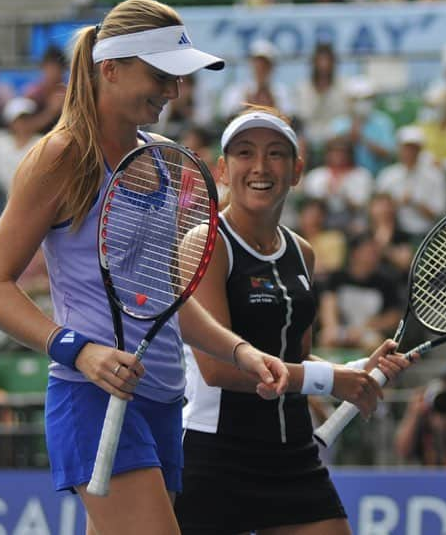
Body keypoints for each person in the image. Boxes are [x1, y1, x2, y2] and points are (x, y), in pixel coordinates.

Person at [0, 0, 290, 535]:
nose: (172, 92)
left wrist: (239, 350)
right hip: (93, 393)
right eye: (160, 75)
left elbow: (167, 297)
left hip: (165, 398)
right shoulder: (61, 156)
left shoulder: (165, 157)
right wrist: (82, 351)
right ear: (109, 68)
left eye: (178, 79)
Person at [173, 105, 411, 534]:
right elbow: (218, 366)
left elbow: (295, 356)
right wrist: (330, 380)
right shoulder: (206, 242)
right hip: (215, 454)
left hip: (291, 454)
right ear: (224, 170)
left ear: (297, 170)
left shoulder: (302, 252)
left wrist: (358, 368)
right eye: (245, 153)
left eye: (276, 154)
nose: (260, 166)